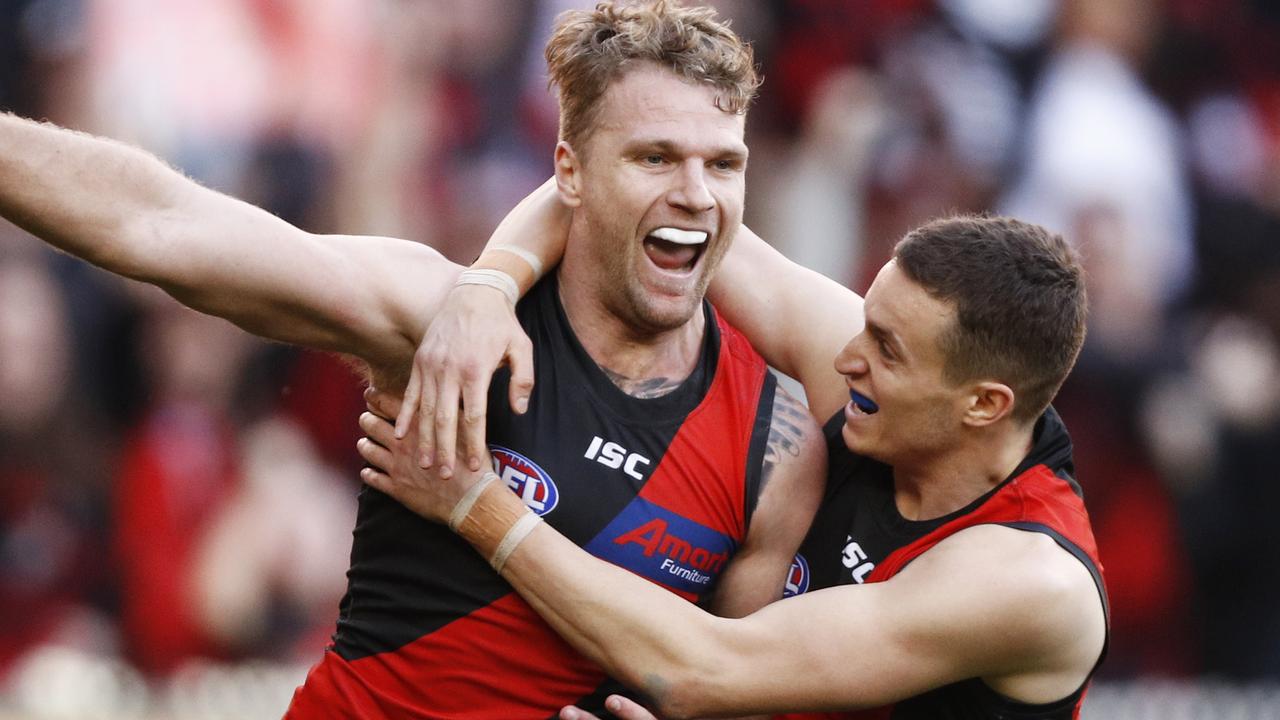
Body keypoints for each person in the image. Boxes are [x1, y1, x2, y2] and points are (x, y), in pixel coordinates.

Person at [0, 2, 828, 716]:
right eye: (654, 157)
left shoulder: (778, 446)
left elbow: (730, 685)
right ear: (568, 174)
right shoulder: (443, 320)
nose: (696, 193)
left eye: (723, 164)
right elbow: (164, 226)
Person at [357, 213, 1109, 719]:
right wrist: (488, 287)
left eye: (885, 349)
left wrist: (476, 506)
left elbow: (704, 671)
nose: (845, 357)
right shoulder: (899, 396)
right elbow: (620, 193)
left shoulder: (1028, 583)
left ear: (984, 405)